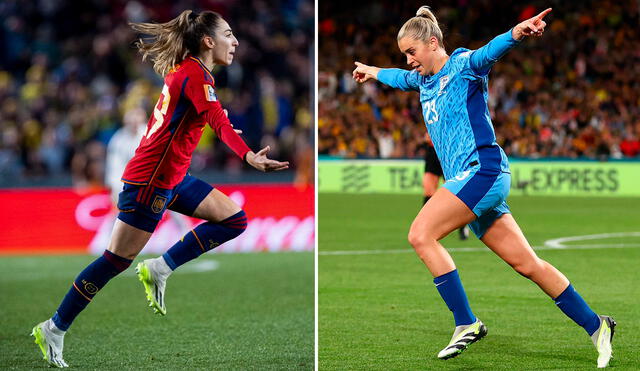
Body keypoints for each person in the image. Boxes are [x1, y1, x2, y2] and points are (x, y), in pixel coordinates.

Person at [352, 6, 615, 368]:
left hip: (482, 170)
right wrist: (373, 71)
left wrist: (516, 33)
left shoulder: (464, 66)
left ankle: (466, 323)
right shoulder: (422, 79)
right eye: (405, 56)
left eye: (412, 52)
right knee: (528, 264)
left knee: (420, 234)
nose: (409, 61)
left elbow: (489, 52)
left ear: (433, 43)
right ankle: (597, 325)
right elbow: (398, 78)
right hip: (470, 181)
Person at [31, 10, 289, 368]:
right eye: (229, 34)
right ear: (208, 41)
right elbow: (216, 119)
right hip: (149, 181)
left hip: (172, 177)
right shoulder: (196, 75)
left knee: (234, 219)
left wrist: (224, 128)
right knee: (114, 261)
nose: (236, 41)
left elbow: (209, 116)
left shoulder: (193, 74)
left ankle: (161, 268)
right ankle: (54, 328)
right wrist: (247, 155)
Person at [420, 132, 469, 240]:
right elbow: (426, 137)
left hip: (447, 153)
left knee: (454, 193)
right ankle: (425, 227)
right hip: (432, 153)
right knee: (428, 191)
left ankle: (462, 227)